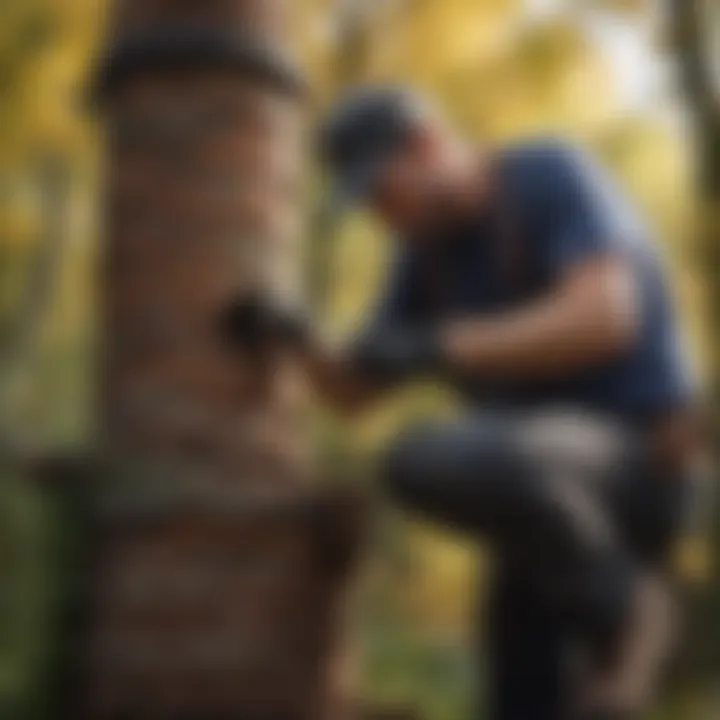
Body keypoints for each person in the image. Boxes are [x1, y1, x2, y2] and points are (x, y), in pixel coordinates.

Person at [222, 88, 705, 720]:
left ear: (426, 145)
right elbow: (355, 391)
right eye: (367, 204)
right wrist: (294, 338)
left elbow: (605, 317)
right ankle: (613, 651)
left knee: (425, 458)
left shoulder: (546, 176)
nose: (382, 216)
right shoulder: (424, 260)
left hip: (642, 458)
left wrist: (442, 346)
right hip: (538, 502)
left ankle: (628, 610)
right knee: (525, 699)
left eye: (383, 192)